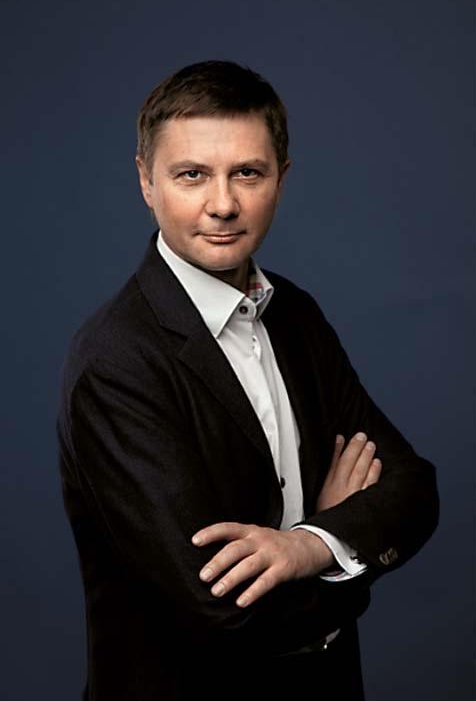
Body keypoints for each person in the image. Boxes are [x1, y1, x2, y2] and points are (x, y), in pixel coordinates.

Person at [57, 60, 439, 701]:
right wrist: (345, 553)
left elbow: (414, 489)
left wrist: (308, 546)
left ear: (281, 178)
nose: (223, 204)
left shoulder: (296, 316)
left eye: (247, 173)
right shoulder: (115, 362)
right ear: (146, 181)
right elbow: (223, 612)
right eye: (192, 175)